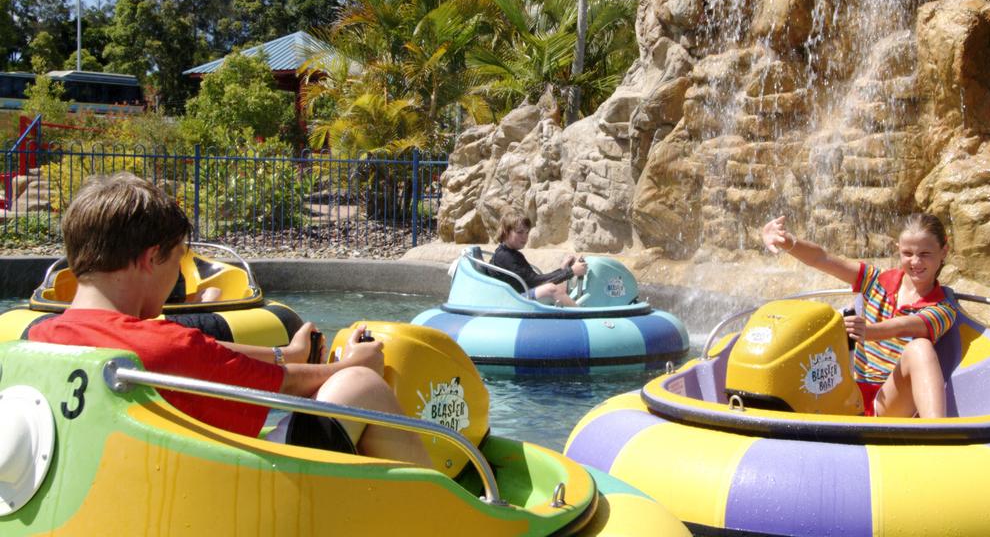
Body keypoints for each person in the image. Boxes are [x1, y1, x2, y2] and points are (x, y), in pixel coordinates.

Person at [28, 172, 431, 467]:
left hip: (118, 484)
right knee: (359, 387)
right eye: (180, 258)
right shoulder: (164, 349)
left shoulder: (39, 339)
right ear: (151, 258)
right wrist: (352, 364)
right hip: (216, 492)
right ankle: (447, 514)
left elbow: (201, 352)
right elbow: (287, 386)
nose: (180, 274)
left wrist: (286, 352)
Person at [761, 213, 957, 419]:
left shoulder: (943, 307)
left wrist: (868, 331)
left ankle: (936, 431)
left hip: (889, 402)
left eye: (925, 253)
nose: (915, 261)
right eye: (908, 253)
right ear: (898, 248)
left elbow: (905, 326)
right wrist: (787, 242)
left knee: (920, 348)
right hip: (849, 397)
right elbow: (823, 258)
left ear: (944, 251)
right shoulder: (876, 281)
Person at [489, 211, 586, 307]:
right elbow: (534, 283)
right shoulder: (504, 257)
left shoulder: (511, 253)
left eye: (527, 232)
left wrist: (563, 269)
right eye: (520, 232)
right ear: (506, 232)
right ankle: (583, 316)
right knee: (551, 289)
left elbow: (534, 279)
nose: (524, 237)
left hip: (518, 294)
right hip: (510, 302)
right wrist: (571, 272)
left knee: (560, 286)